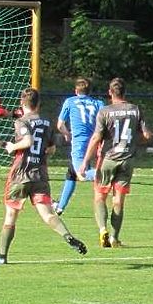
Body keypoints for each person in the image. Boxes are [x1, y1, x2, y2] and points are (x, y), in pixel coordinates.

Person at [0, 88, 87, 264]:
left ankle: (2, 256)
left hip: (20, 174)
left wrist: (12, 147)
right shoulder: (47, 122)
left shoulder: (21, 121)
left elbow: (27, 142)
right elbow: (51, 149)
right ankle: (67, 236)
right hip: (40, 174)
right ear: (38, 104)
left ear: (22, 103)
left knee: (11, 216)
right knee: (48, 214)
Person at [79, 78, 152, 248]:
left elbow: (96, 137)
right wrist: (134, 140)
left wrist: (85, 161)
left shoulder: (104, 112)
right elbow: (147, 135)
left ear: (110, 93)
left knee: (100, 195)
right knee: (118, 200)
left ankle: (102, 229)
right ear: (125, 92)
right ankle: (114, 238)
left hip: (108, 159)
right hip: (127, 159)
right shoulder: (135, 110)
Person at [53, 78, 104, 215]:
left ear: (76, 91)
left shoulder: (70, 101)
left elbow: (60, 125)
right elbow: (105, 123)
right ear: (89, 91)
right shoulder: (99, 103)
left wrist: (67, 134)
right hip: (95, 141)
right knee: (71, 172)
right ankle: (60, 207)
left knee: (81, 174)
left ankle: (107, 174)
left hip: (79, 143)